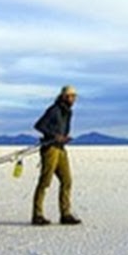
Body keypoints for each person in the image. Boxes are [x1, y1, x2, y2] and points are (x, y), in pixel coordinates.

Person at [32, 86, 82, 225]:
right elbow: (39, 125)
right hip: (50, 149)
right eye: (72, 96)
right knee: (45, 182)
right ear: (65, 97)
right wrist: (55, 136)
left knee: (67, 181)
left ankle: (65, 214)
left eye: (75, 96)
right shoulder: (54, 110)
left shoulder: (67, 112)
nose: (74, 99)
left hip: (60, 148)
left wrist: (63, 138)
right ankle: (37, 215)